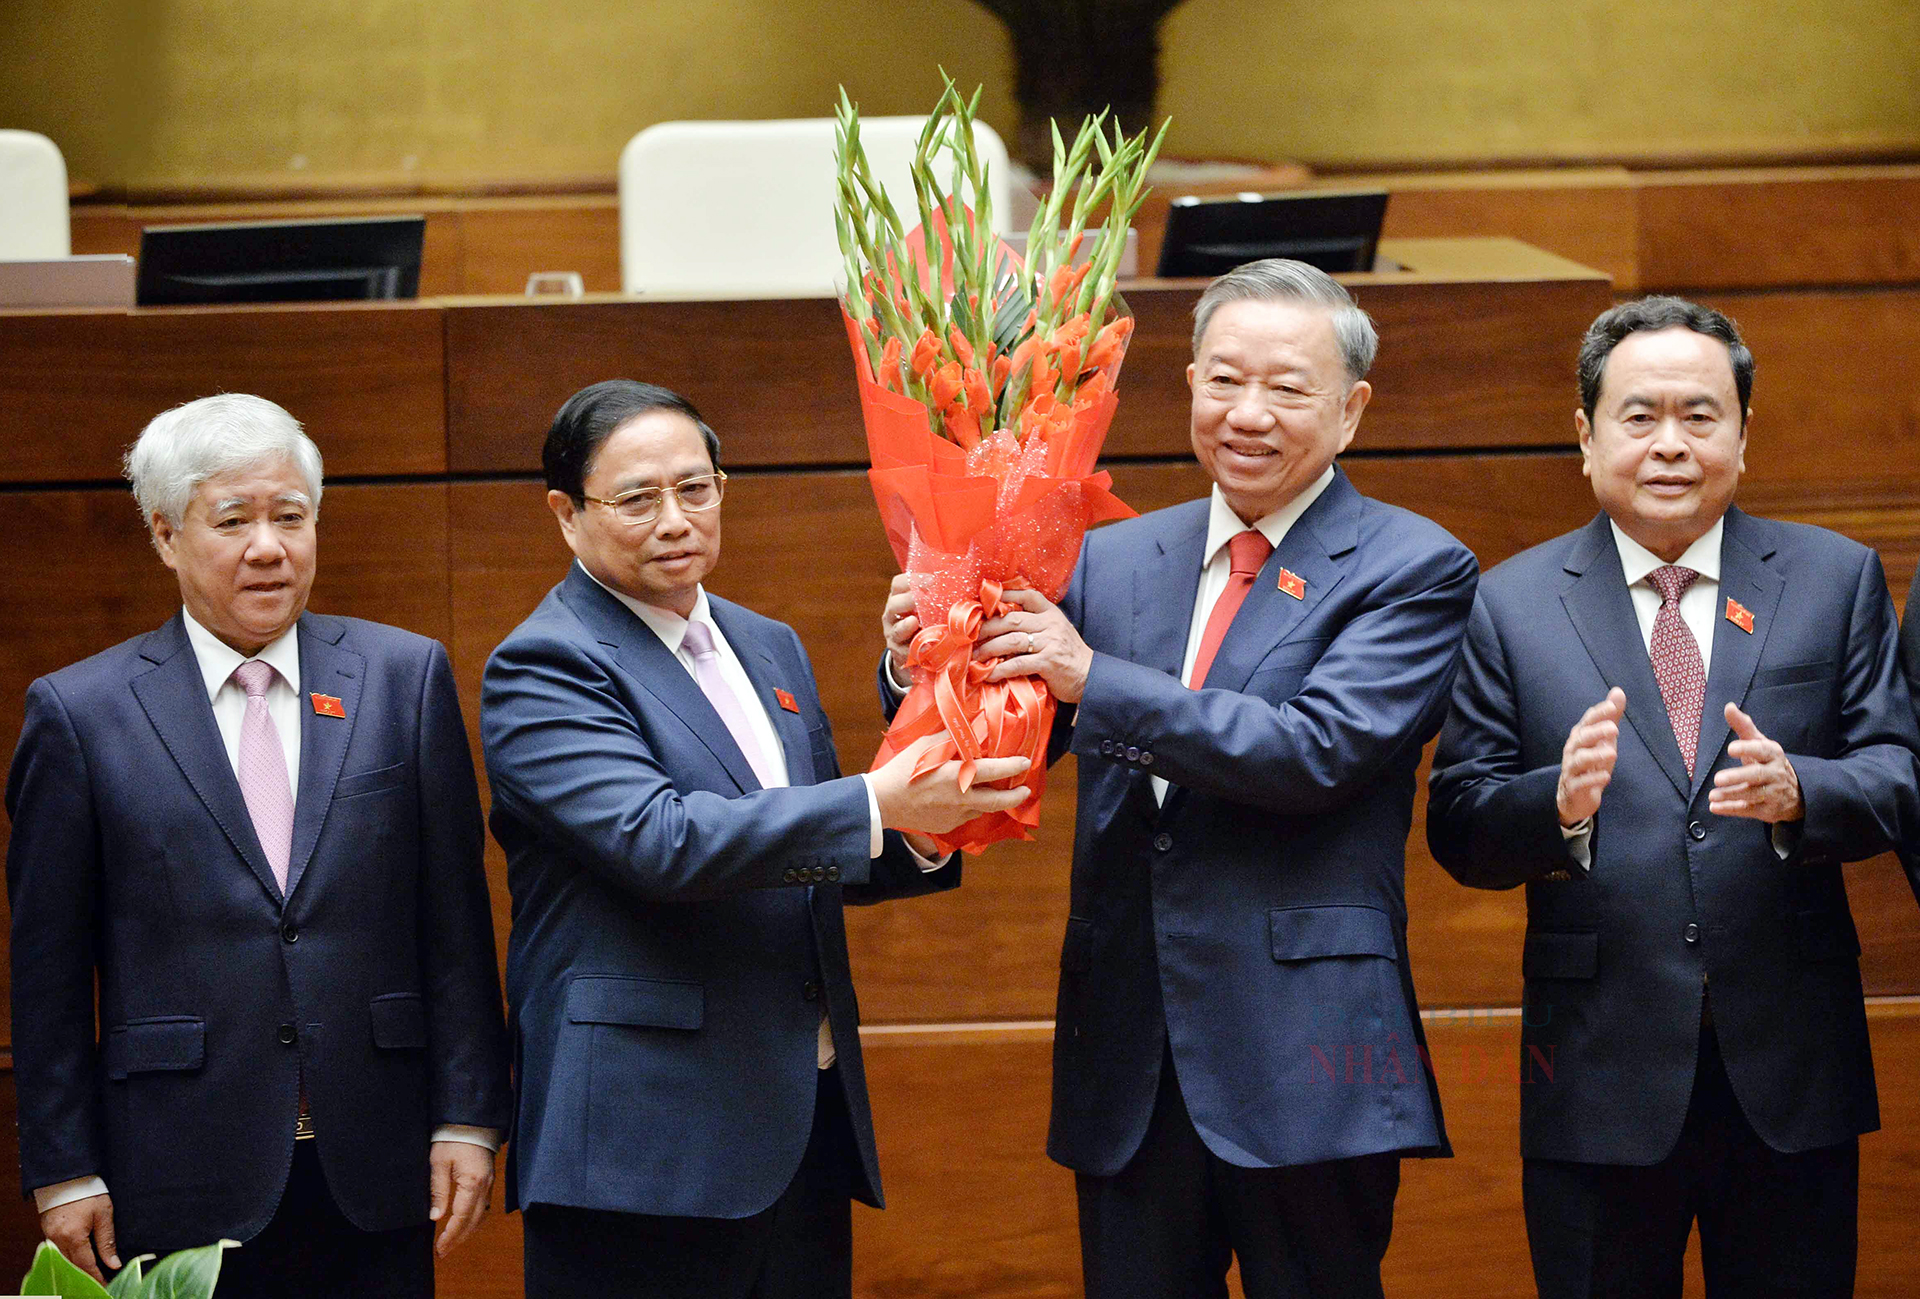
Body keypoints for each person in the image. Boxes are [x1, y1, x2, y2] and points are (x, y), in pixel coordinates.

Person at [884, 259, 1478, 1298]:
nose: (1248, 414)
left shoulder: (1413, 567)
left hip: (1308, 1055)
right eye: (1222, 381)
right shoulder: (1113, 559)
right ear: (1189, 386)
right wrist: (931, 654)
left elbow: (1315, 752)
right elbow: (1012, 743)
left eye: (1288, 389)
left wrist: (1089, 674)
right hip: (1131, 1057)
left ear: (1352, 410)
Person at [482, 379, 1029, 1299]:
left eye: (696, 489)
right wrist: (877, 801)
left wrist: (927, 826)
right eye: (637, 498)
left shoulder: (764, 642)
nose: (675, 520)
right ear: (566, 516)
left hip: (797, 1123)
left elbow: (805, 848)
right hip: (642, 1146)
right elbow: (660, 841)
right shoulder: (546, 661)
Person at [1427, 296, 1920, 1298]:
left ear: (1744, 433)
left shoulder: (1835, 577)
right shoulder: (1511, 604)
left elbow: (1900, 774)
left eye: (1701, 415)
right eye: (1638, 415)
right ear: (1586, 435)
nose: (1670, 444)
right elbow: (1458, 823)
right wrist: (1555, 805)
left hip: (1791, 1069)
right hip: (1597, 1076)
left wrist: (1802, 792)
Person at [6, 393, 512, 1298]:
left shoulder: (405, 677)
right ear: (165, 535)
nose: (269, 546)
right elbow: (46, 966)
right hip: (175, 1165)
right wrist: (63, 1165)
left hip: (379, 1155)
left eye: (291, 516)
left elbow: (455, 924)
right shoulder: (81, 712)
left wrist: (468, 1117)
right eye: (232, 519)